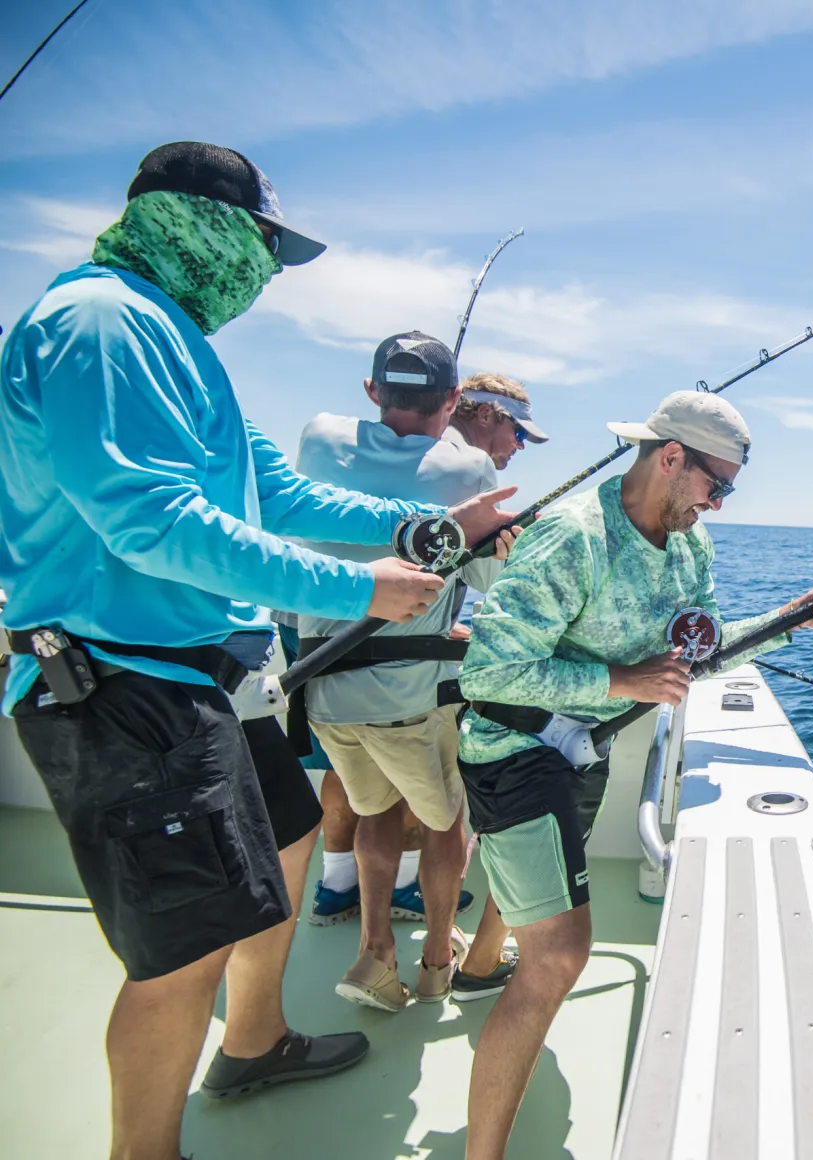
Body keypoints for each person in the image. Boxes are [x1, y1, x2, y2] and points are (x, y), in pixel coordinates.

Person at [0, 141, 519, 1160]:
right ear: (197, 224)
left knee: (286, 836)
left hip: (202, 675)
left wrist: (419, 530)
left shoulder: (175, 335)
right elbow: (152, 521)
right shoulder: (104, 321)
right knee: (177, 954)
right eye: (264, 247)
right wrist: (355, 584)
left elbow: (274, 492)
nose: (267, 272)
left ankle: (254, 1038)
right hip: (121, 683)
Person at [454, 391, 813, 1158]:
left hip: (586, 746)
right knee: (562, 953)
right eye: (717, 485)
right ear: (670, 457)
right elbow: (489, 672)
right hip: (513, 749)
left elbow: (692, 657)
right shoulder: (571, 538)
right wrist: (623, 682)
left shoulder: (688, 548)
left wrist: (788, 621)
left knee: (539, 894)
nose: (719, 504)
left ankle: (475, 969)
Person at [294, 333, 534, 1008]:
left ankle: (372, 954)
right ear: (455, 400)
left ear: (372, 391)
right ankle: (434, 960)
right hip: (408, 698)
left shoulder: (317, 440)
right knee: (444, 823)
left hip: (324, 695)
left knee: (375, 811)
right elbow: (493, 576)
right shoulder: (468, 474)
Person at [449, 372, 548, 471]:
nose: (521, 446)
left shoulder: (438, 445)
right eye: (520, 433)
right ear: (485, 414)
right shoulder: (470, 472)